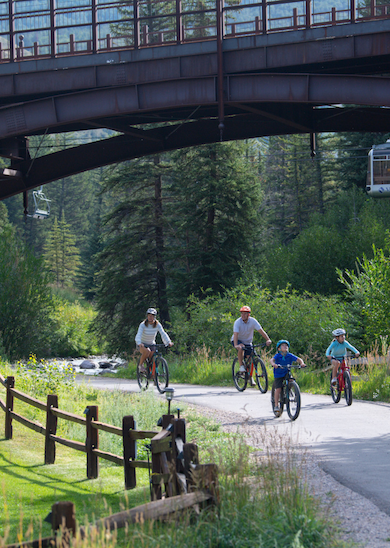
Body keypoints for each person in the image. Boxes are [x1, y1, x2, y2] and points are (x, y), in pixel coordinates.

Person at [231, 306, 271, 385]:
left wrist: (268, 339)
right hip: (237, 340)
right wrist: (236, 345)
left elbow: (261, 330)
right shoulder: (237, 322)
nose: (243, 315)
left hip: (248, 341)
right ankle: (241, 365)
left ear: (248, 315)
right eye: (242, 314)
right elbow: (235, 334)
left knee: (251, 359)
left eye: (245, 314)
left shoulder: (253, 321)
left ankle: (250, 377)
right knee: (241, 348)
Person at [271, 340, 306, 415]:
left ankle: (291, 391)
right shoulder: (278, 355)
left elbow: (299, 359)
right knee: (278, 389)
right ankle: (276, 405)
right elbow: (272, 360)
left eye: (286, 345)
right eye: (283, 345)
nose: (285, 346)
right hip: (278, 374)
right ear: (279, 349)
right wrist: (274, 364)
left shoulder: (289, 355)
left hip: (287, 372)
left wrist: (302, 363)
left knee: (291, 380)